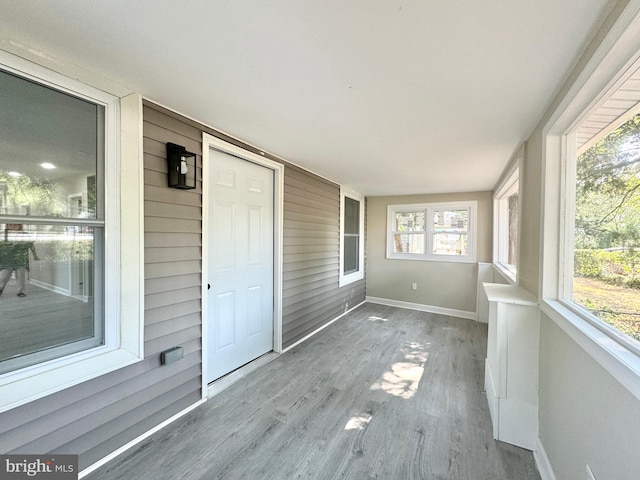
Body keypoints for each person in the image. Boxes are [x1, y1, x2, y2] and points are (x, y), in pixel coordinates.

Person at [0, 224, 38, 297]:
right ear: (7, 226)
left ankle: (20, 291)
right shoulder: (3, 234)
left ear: (20, 225)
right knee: (3, 275)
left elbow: (31, 245)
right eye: (10, 225)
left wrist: (35, 255)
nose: (13, 226)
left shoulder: (25, 235)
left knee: (20, 275)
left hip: (20, 259)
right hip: (7, 259)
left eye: (15, 225)